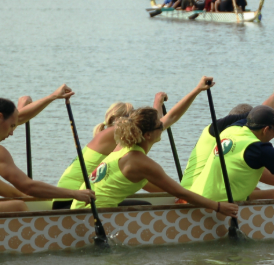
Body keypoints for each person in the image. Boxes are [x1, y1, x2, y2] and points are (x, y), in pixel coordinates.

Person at [70, 77, 238, 219]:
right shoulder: (141, 162)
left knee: (143, 205)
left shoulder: (124, 144)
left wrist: (197, 90)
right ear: (148, 135)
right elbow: (182, 193)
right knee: (145, 207)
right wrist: (218, 206)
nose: (163, 126)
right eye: (159, 126)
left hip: (79, 207)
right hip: (89, 216)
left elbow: (170, 117)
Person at [180, 82, 274, 201]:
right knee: (273, 195)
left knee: (254, 189)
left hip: (186, 193)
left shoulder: (215, 133)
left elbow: (266, 113)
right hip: (200, 197)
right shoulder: (233, 131)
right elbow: (268, 112)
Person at [0, 97, 95, 215]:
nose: (11, 133)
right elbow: (28, 186)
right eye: (11, 126)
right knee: (20, 208)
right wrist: (75, 193)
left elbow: (18, 118)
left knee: (18, 206)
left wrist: (52, 96)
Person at [51, 100, 139, 209]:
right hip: (71, 202)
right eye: (132, 116)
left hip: (68, 200)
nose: (136, 122)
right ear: (117, 119)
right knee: (144, 206)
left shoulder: (109, 138)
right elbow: (152, 128)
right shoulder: (113, 133)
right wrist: (157, 102)